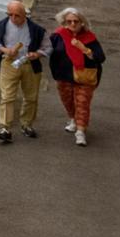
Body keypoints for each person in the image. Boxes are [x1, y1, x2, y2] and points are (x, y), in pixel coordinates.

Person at [0, 0, 48, 144]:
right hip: (9, 63)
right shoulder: (0, 26)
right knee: (7, 96)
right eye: (10, 15)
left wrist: (37, 54)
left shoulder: (36, 29)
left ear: (25, 15)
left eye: (17, 15)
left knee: (31, 97)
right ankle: (4, 128)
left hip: (29, 64)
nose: (13, 18)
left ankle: (27, 124)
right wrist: (5, 50)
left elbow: (48, 47)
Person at [48, 9, 109, 146]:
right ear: (64, 22)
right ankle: (73, 119)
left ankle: (80, 132)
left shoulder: (90, 37)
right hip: (64, 76)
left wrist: (85, 49)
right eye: (69, 21)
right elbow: (48, 50)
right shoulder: (58, 35)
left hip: (85, 78)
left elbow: (100, 57)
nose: (73, 24)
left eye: (76, 21)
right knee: (68, 101)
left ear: (82, 22)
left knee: (82, 103)